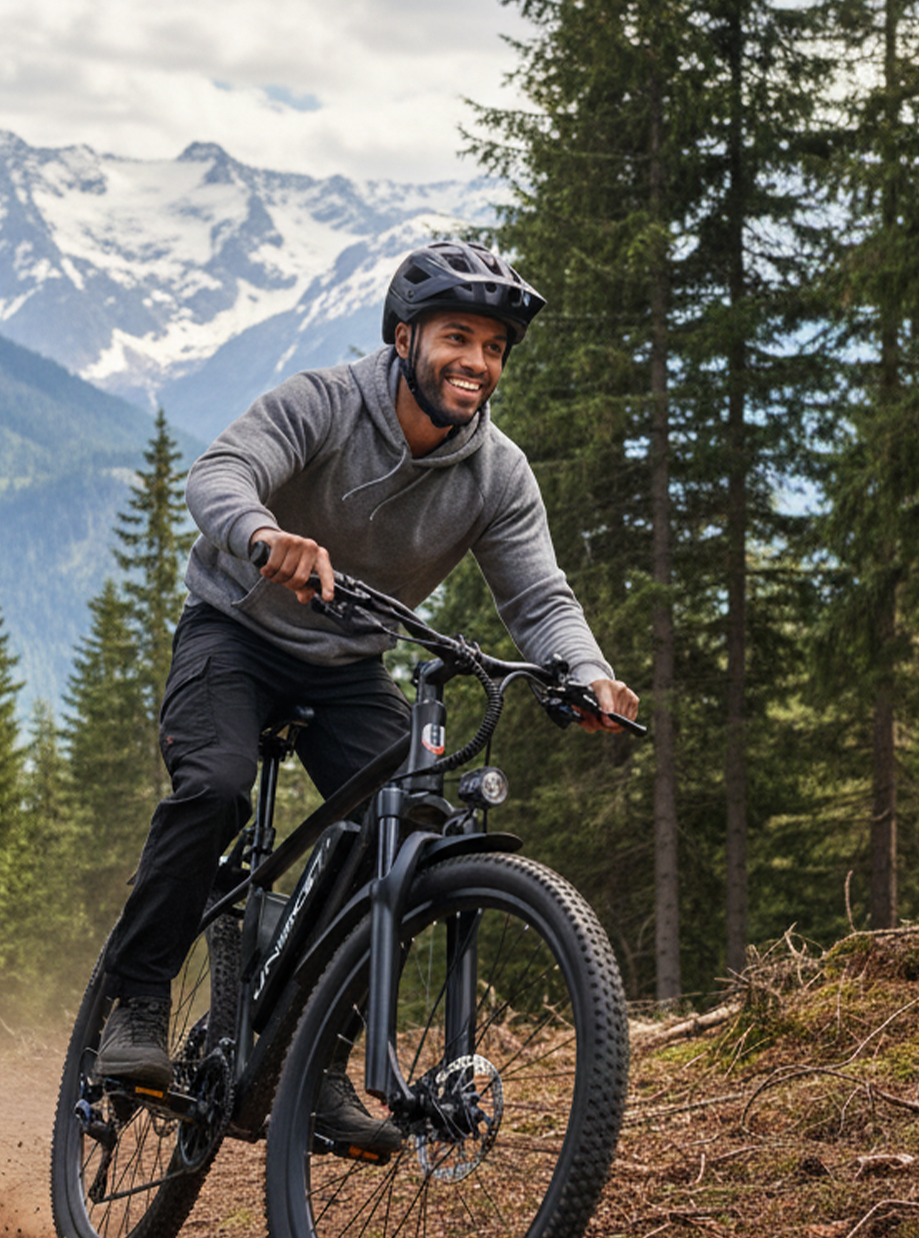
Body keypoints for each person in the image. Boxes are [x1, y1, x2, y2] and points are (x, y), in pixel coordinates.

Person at [93, 239, 639, 1152]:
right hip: (234, 631)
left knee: (408, 826)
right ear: (403, 338)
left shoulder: (497, 474)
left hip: (346, 666)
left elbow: (539, 598)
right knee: (216, 786)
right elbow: (220, 472)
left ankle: (314, 1064)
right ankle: (137, 1003)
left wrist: (585, 674)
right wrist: (264, 535)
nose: (476, 362)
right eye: (457, 337)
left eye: (494, 348)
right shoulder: (323, 403)